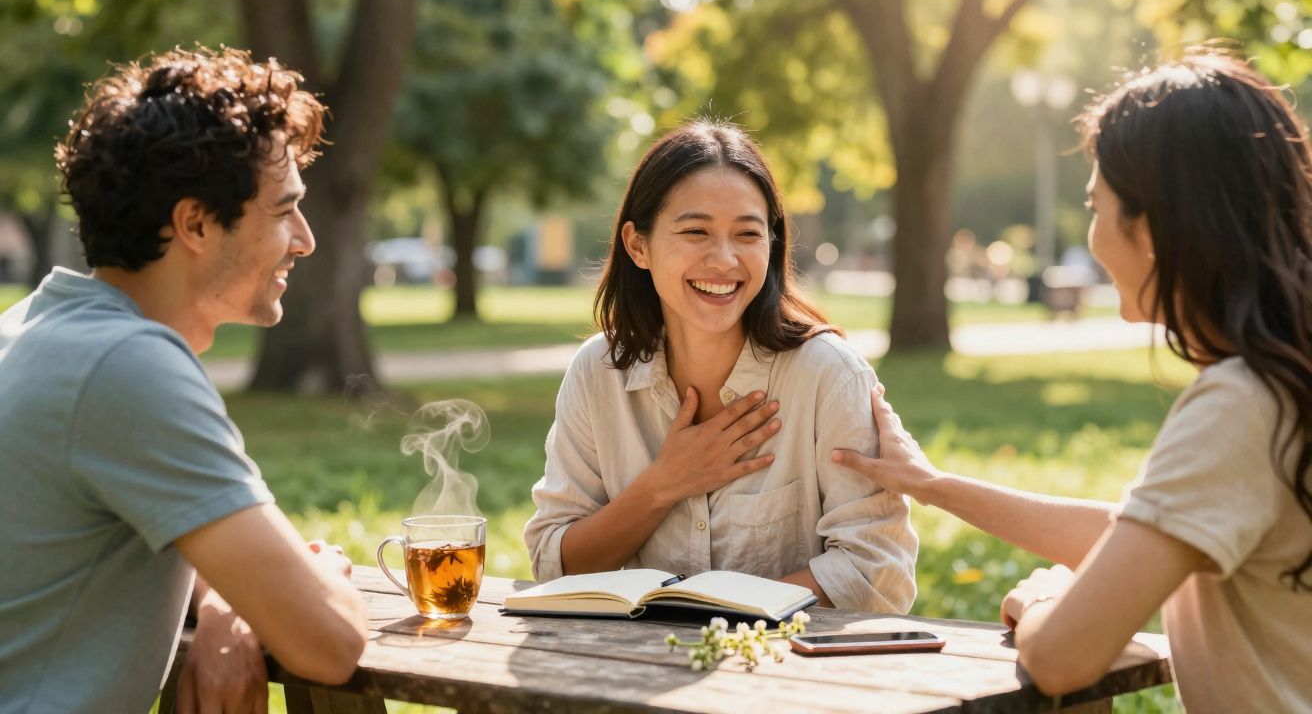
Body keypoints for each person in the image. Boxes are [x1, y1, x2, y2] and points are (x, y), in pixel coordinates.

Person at [833, 50, 1312, 711]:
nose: (1091, 238)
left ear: (1152, 226)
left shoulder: (1241, 401)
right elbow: (1142, 537)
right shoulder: (1285, 380)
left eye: (1096, 205)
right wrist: (932, 486)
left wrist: (1044, 602)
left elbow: (1061, 659)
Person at [0, 47, 369, 713]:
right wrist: (319, 575)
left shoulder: (36, 333)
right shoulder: (123, 366)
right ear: (195, 223)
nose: (305, 239)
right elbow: (329, 641)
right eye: (284, 210)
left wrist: (229, 597)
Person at [524, 120, 917, 613]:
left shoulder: (826, 375)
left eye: (747, 234)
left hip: (793, 678)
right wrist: (662, 485)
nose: (725, 259)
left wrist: (713, 618)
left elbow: (877, 571)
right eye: (696, 231)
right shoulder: (597, 372)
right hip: (631, 671)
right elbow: (556, 565)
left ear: (771, 245)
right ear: (637, 245)